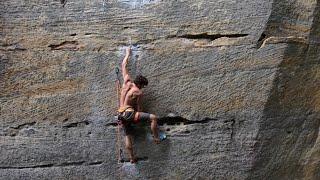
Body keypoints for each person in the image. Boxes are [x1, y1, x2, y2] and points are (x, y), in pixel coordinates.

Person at [118, 47, 160, 163]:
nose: (143, 88)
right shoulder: (138, 92)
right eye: (143, 86)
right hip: (130, 114)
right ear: (140, 84)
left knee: (128, 135)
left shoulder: (126, 81)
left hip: (121, 114)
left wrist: (127, 54)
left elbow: (123, 65)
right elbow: (139, 108)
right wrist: (140, 117)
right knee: (153, 117)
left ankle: (132, 158)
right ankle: (156, 137)